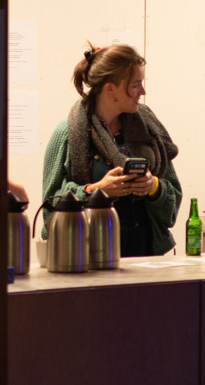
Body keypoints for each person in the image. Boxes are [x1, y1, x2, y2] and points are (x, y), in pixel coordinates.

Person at [41, 42, 183, 256]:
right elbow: (49, 209)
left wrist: (153, 186)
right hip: (87, 260)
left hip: (145, 259)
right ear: (110, 89)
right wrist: (96, 190)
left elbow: (172, 205)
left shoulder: (148, 130)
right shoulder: (67, 134)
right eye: (135, 85)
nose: (143, 92)